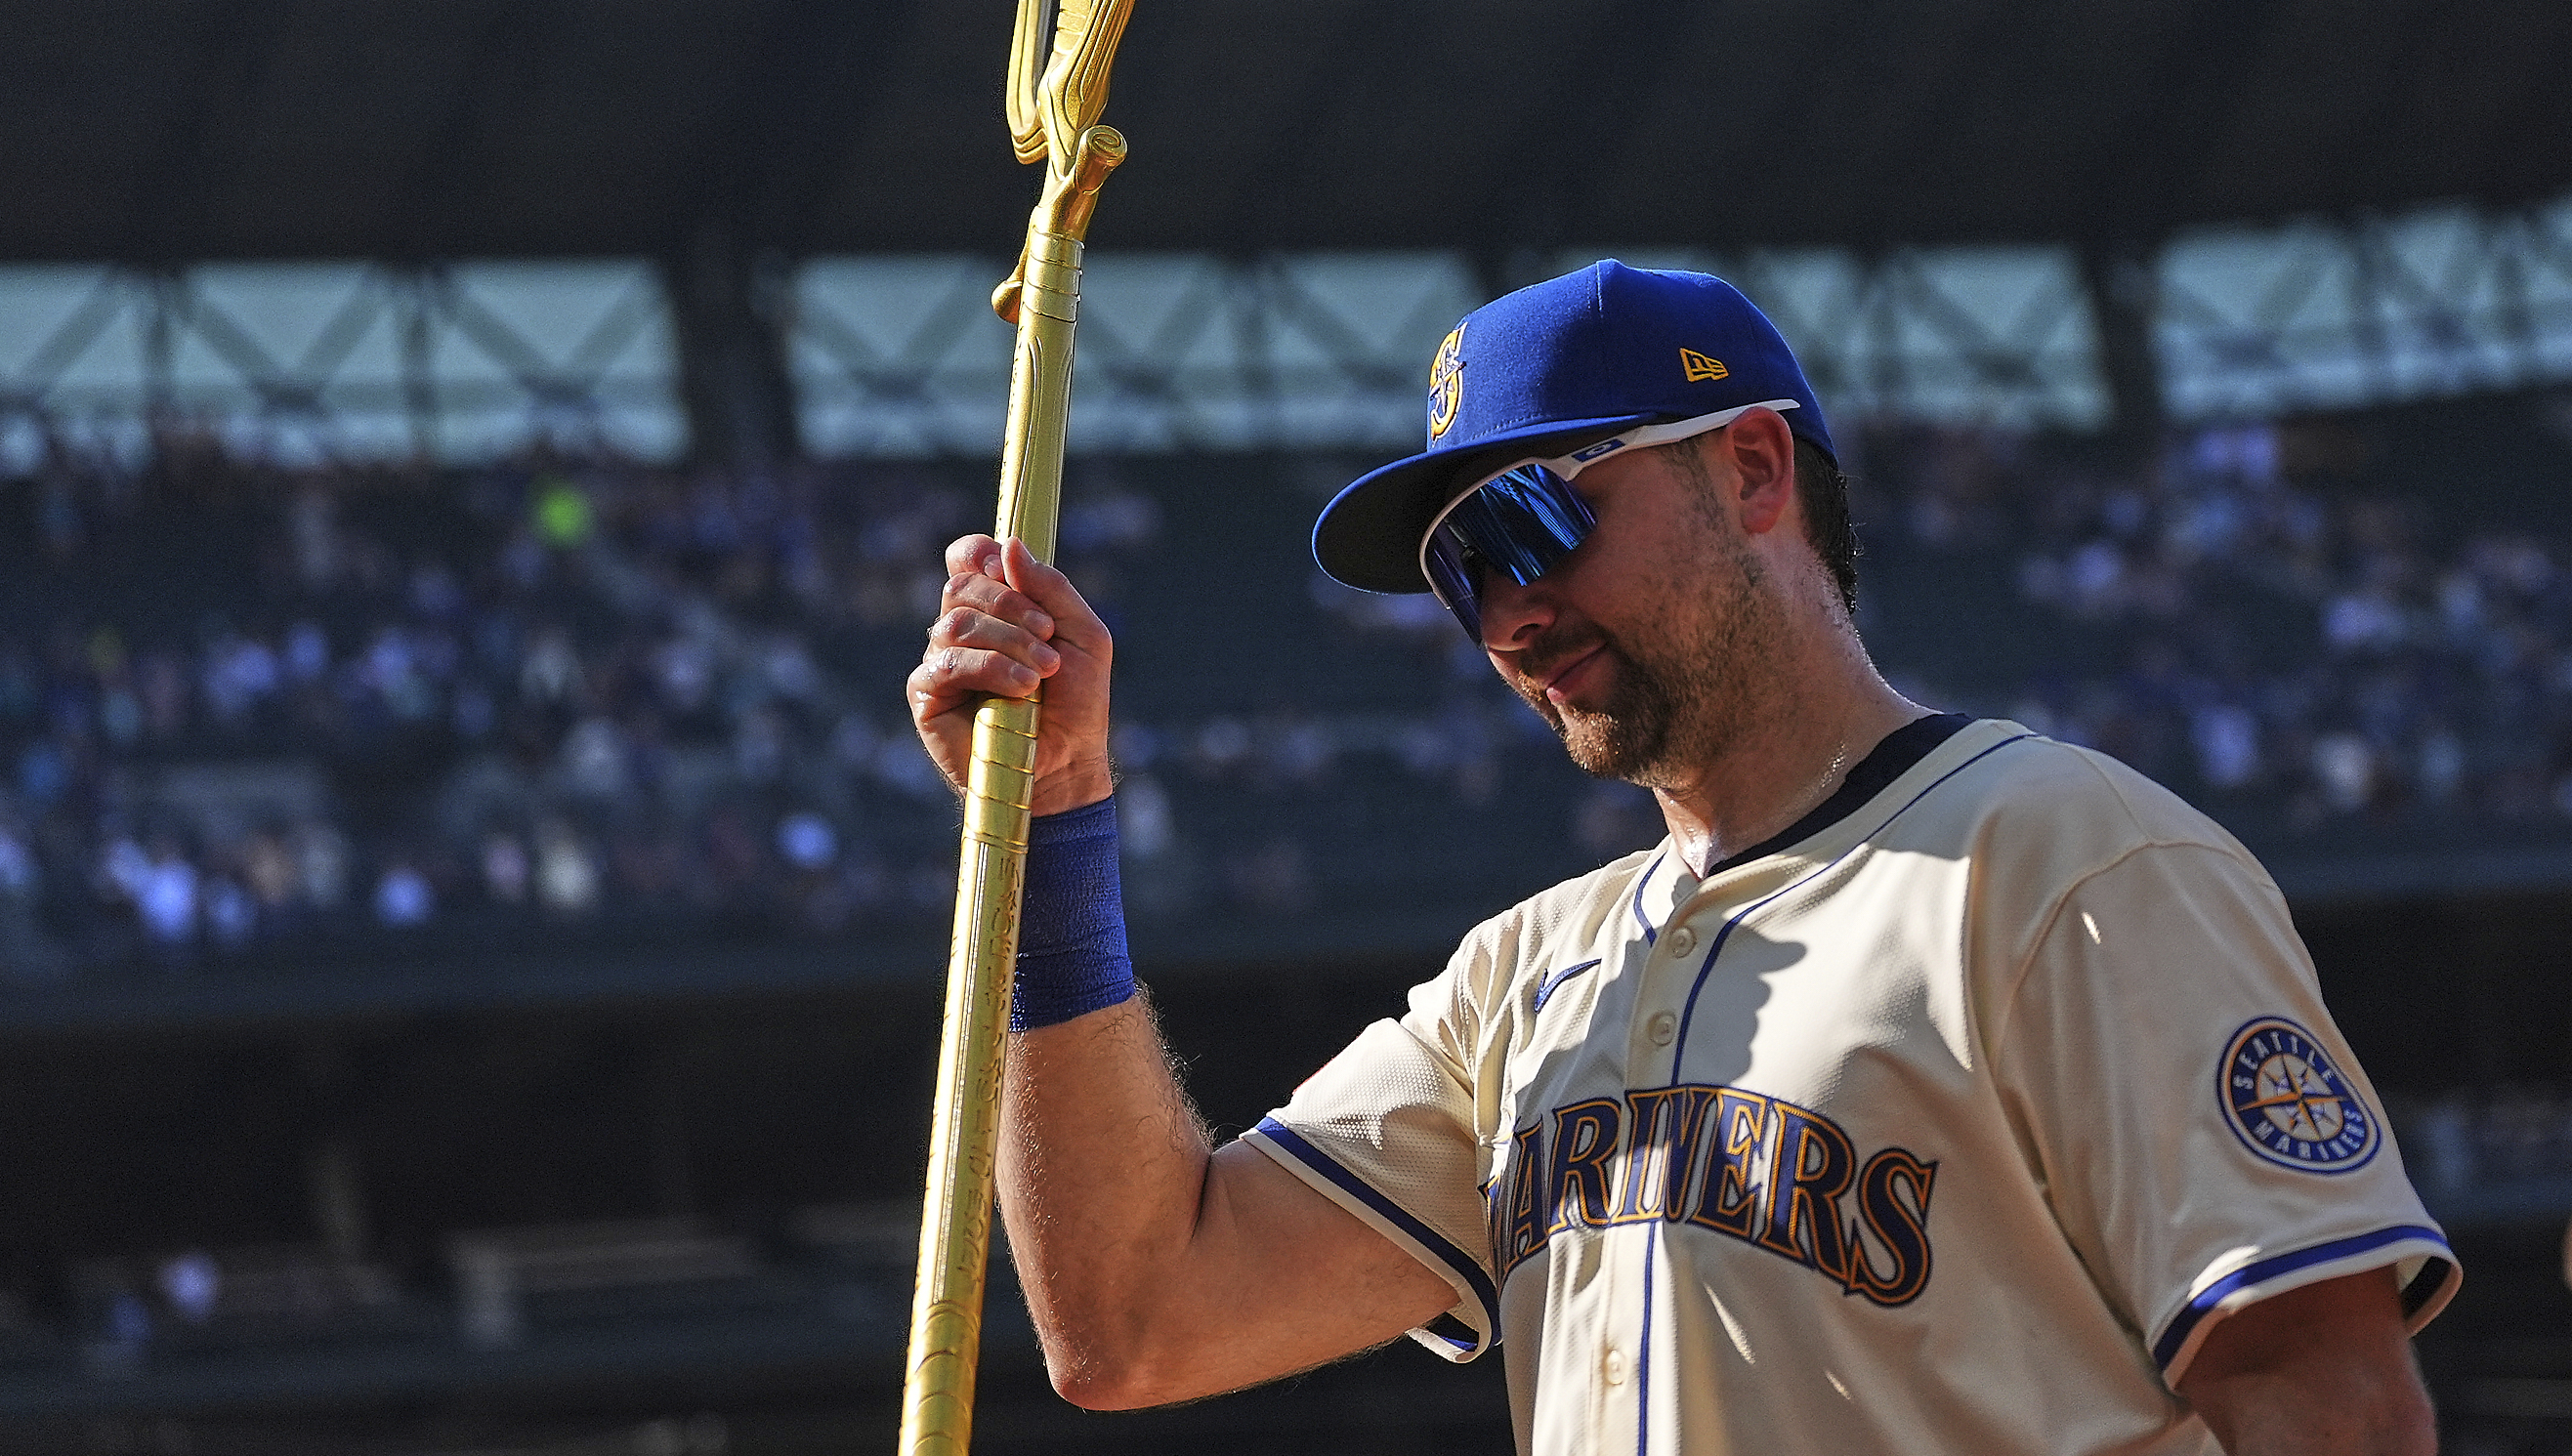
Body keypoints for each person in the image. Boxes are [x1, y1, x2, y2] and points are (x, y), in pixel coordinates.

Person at [907, 261, 2455, 1456]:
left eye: (1525, 523)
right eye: (1456, 577)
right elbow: (1134, 1321)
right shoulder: (1523, 977)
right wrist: (1055, 824)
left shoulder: (2066, 861)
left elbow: (2324, 1392)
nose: (1505, 614)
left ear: (1755, 473)